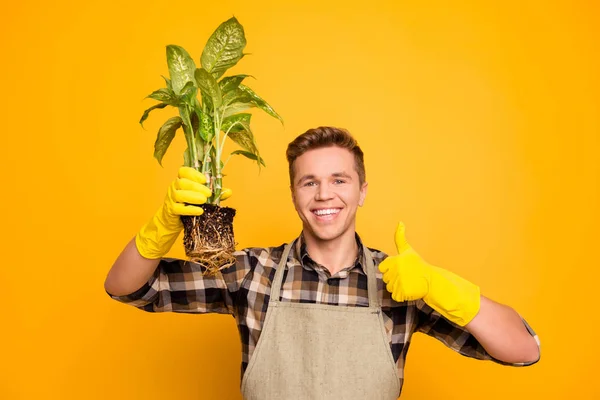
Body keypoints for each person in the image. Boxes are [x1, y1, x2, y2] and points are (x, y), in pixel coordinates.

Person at [105, 126, 540, 399]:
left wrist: (442, 286)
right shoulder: (253, 273)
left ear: (362, 191)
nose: (324, 194)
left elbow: (524, 351)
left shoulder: (402, 283)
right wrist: (162, 225)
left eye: (339, 180)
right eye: (309, 182)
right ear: (294, 193)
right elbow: (127, 287)